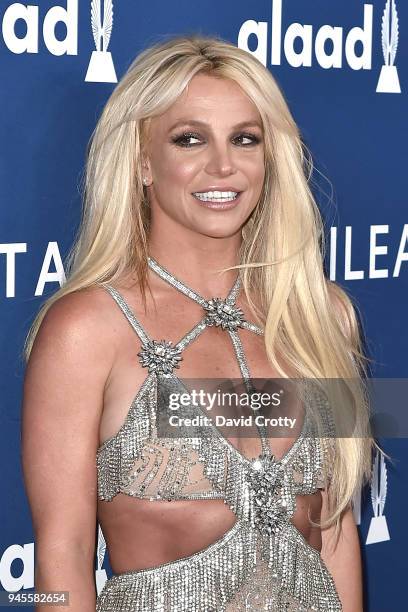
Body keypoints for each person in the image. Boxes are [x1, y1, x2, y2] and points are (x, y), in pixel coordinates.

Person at [21, 34, 376, 611]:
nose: (223, 165)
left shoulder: (319, 316)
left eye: (245, 139)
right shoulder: (88, 330)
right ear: (140, 162)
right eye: (190, 139)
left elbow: (333, 533)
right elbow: (61, 555)